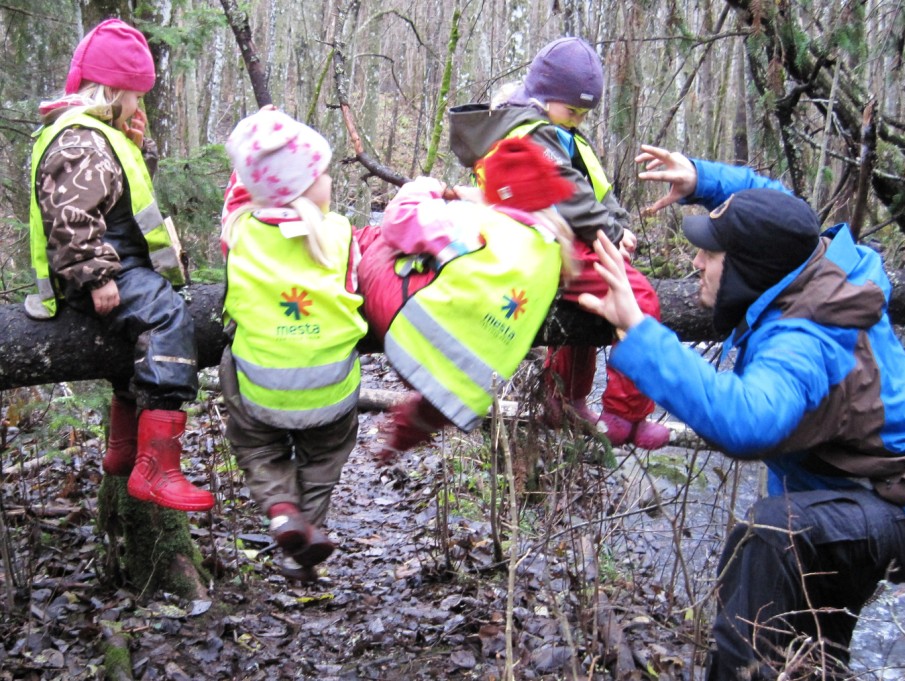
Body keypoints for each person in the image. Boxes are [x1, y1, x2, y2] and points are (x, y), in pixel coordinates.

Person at [578, 145, 905, 678]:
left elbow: (748, 423)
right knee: (812, 647)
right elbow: (786, 208)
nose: (696, 262)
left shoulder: (805, 336)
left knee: (770, 533)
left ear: (748, 270)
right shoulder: (818, 263)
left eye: (711, 254)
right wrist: (704, 178)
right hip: (857, 496)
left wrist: (641, 332)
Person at [26, 19, 213, 512]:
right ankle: (160, 470)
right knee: (168, 317)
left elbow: (121, 198)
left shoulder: (97, 136)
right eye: (134, 97)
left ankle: (124, 451)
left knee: (137, 340)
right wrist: (96, 274)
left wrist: (137, 147)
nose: (138, 108)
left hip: (117, 264)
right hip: (101, 270)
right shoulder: (80, 141)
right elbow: (70, 214)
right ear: (113, 90)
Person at [448, 37, 670, 450]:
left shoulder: (557, 131)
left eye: (585, 113)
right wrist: (613, 235)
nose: (579, 120)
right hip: (539, 247)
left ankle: (563, 398)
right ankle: (626, 413)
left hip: (557, 242)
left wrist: (619, 226)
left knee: (589, 309)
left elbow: (598, 191)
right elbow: (570, 196)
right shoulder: (529, 134)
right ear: (544, 96)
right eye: (573, 111)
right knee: (638, 299)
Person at [357, 137, 579, 457]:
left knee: (381, 239)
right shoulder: (555, 254)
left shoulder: (475, 224)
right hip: (466, 389)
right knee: (435, 399)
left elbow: (398, 221)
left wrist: (425, 187)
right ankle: (401, 439)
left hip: (408, 341)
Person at [220, 109, 367, 582]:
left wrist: (252, 149)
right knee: (324, 457)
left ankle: (282, 512)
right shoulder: (340, 233)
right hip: (330, 386)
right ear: (304, 187)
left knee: (255, 446)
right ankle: (307, 537)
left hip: (260, 385)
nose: (329, 182)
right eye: (323, 174)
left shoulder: (239, 232)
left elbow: (237, 198)